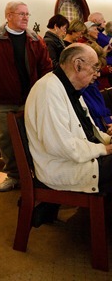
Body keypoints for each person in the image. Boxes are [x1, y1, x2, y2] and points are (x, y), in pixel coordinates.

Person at [0, 1, 52, 192]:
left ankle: (37, 175)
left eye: (27, 14)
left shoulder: (35, 39)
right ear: (8, 15)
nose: (26, 17)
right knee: (6, 140)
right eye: (21, 14)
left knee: (33, 138)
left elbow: (46, 67)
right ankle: (13, 176)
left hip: (30, 99)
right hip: (3, 100)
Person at [25, 43, 112, 196]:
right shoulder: (48, 90)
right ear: (78, 65)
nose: (97, 74)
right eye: (95, 68)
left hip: (80, 159)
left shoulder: (69, 87)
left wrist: (107, 140)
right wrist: (103, 149)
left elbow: (89, 130)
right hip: (63, 168)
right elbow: (59, 145)